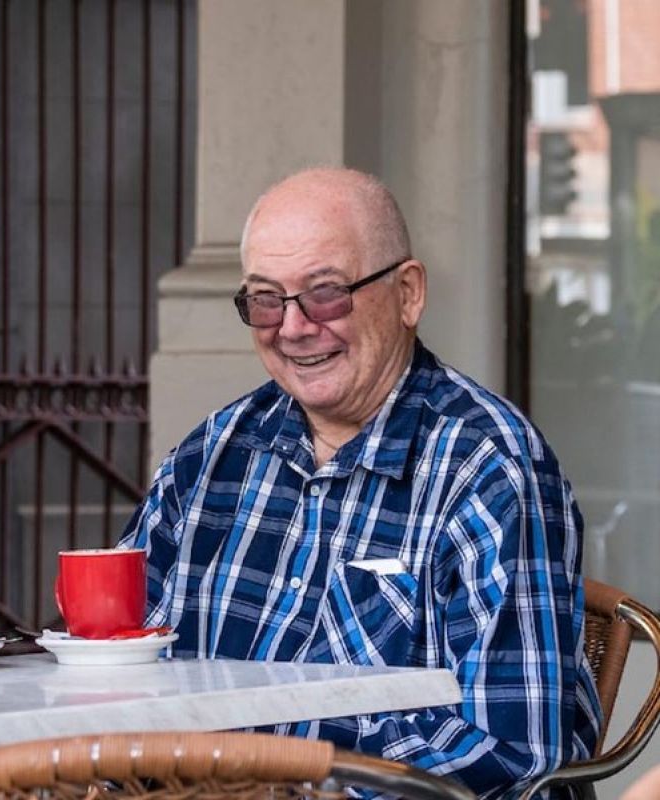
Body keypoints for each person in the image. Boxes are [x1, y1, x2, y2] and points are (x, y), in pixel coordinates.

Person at [119, 167, 601, 798]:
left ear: (407, 294)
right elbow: (119, 668)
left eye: (325, 294)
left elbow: (509, 749)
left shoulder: (489, 468)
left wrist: (290, 788)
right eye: (265, 298)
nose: (292, 327)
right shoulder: (212, 454)